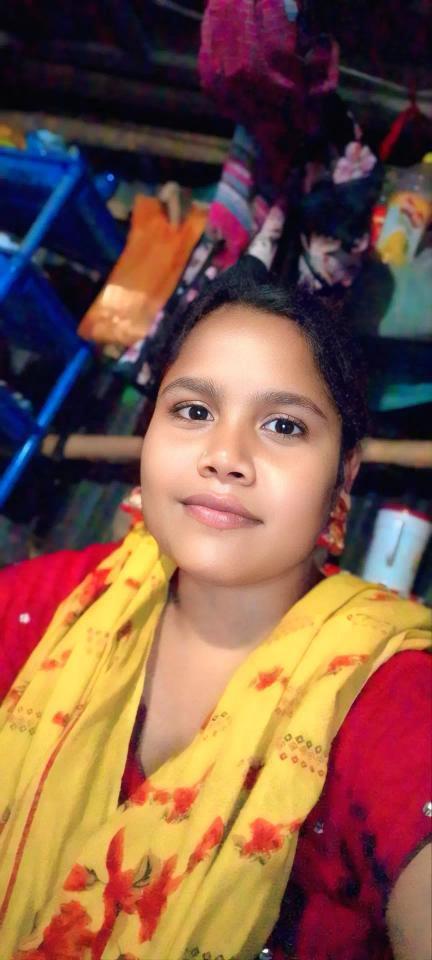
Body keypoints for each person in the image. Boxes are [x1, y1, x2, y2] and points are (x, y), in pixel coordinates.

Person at [0, 261, 430, 960]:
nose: (225, 456)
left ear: (344, 474)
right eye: (194, 412)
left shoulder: (384, 693)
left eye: (284, 425)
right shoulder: (57, 609)